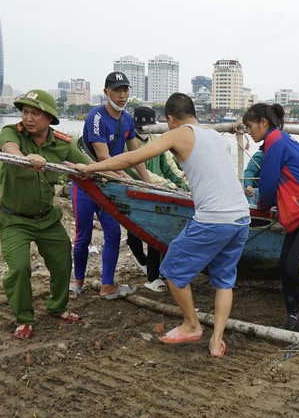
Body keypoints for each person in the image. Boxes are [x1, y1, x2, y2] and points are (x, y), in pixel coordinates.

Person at [74, 93, 249, 358]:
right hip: (241, 217)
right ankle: (216, 341)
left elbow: (133, 158)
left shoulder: (179, 133)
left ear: (170, 119)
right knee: (224, 280)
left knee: (171, 270)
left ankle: (191, 325)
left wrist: (93, 168)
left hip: (214, 218)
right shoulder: (214, 135)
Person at [0, 89, 92, 340]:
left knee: (62, 259)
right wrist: (24, 158)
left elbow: (85, 166)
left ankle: (58, 307)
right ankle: (24, 319)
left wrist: (91, 170)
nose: (28, 118)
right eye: (25, 112)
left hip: (47, 218)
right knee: (18, 268)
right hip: (14, 219)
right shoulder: (12, 132)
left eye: (35, 113)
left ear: (49, 117)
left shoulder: (62, 143)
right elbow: (8, 148)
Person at [243, 104, 299, 334]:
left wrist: (263, 206)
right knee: (285, 266)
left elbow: (268, 183)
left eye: (250, 126)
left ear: (264, 123)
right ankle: (293, 316)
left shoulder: (276, 142)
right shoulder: (280, 140)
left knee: (296, 266)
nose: (249, 131)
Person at [69, 72, 152, 300]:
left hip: (110, 187)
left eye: (125, 90)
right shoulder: (96, 117)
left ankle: (107, 285)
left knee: (113, 234)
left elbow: (135, 154)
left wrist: (147, 182)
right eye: (117, 90)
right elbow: (103, 158)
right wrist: (127, 178)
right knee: (83, 236)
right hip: (87, 184)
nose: (122, 95)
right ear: (106, 92)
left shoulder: (127, 119)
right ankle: (77, 282)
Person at [125, 106, 189, 292]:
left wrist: (185, 186)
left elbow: (171, 169)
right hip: (133, 194)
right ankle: (143, 262)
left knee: (156, 234)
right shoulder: (127, 144)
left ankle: (154, 276)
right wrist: (168, 185)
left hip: (156, 195)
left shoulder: (158, 141)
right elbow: (137, 171)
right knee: (133, 236)